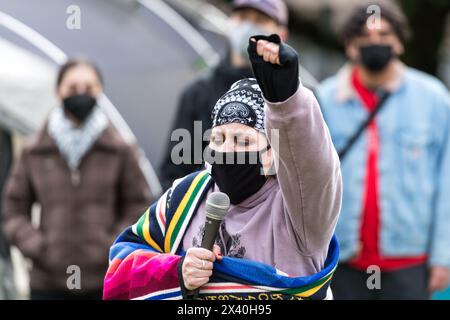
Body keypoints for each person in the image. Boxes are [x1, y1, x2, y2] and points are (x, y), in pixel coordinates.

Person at [103, 34, 342, 300]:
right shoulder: (186, 196)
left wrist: (287, 102)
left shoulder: (300, 210)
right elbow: (121, 266)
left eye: (242, 140)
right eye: (219, 139)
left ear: (271, 153)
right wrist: (177, 271)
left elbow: (312, 165)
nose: (226, 149)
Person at [317, 0, 450, 299]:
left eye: (384, 36)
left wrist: (444, 256)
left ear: (400, 43)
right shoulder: (322, 101)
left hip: (409, 261)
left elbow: (447, 183)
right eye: (364, 39)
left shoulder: (434, 100)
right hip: (341, 258)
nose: (374, 44)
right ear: (350, 46)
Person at [1, 59, 152, 300]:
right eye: (72, 88)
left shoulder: (120, 149)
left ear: (100, 91)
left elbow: (140, 205)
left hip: (106, 280)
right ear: (57, 91)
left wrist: (111, 246)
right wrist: (38, 247)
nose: (81, 94)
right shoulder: (35, 150)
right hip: (47, 283)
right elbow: (12, 209)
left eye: (89, 88)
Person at [158, 0, 289, 190]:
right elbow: (174, 173)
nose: (248, 26)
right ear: (230, 22)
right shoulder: (198, 94)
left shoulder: (291, 101)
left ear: (281, 33)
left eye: (260, 20)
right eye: (243, 17)